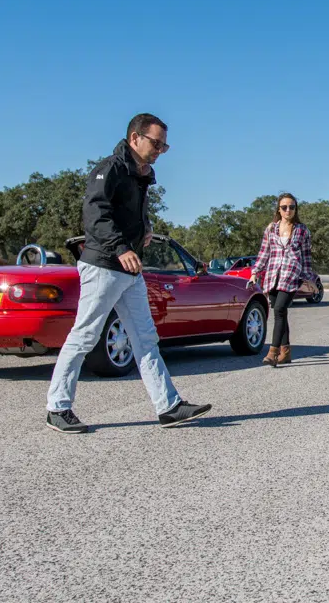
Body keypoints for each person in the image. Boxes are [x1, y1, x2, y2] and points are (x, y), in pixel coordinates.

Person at [45, 114, 213, 433]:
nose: (161, 150)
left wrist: (144, 229)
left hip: (129, 271)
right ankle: (57, 407)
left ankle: (168, 406)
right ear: (135, 138)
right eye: (156, 143)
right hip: (103, 266)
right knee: (84, 336)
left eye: (165, 145)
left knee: (146, 339)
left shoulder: (141, 175)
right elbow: (96, 214)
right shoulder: (110, 169)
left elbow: (131, 214)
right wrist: (122, 247)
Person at [249, 193, 318, 367]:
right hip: (273, 275)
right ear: (279, 209)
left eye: (292, 207)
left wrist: (309, 279)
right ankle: (286, 352)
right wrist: (255, 272)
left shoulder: (302, 230)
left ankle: (273, 352)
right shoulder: (271, 228)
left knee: (279, 309)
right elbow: (264, 252)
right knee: (280, 313)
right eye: (284, 207)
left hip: (291, 274)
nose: (288, 210)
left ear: (296, 209)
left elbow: (306, 257)